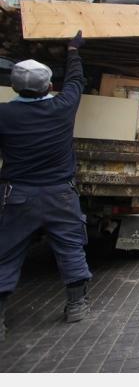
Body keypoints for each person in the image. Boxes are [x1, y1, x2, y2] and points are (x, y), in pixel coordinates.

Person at [0, 31, 92, 342]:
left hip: (18, 195)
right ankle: (76, 305)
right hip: (59, 194)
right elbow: (76, 83)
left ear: (13, 87)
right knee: (69, 247)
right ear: (49, 87)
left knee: (7, 253)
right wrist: (72, 50)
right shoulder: (61, 108)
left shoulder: (4, 115)